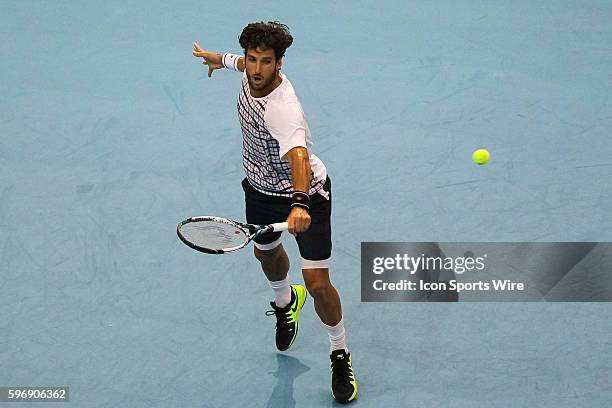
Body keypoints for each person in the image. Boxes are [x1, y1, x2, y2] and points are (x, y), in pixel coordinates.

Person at [192, 21, 357, 403]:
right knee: (265, 254)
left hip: (306, 193)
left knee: (317, 283)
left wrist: (300, 203)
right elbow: (237, 63)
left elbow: (298, 155)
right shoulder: (248, 70)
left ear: (280, 64)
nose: (257, 69)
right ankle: (285, 303)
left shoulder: (283, 109)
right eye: (252, 60)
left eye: (267, 62)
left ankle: (339, 351)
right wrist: (218, 59)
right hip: (259, 190)